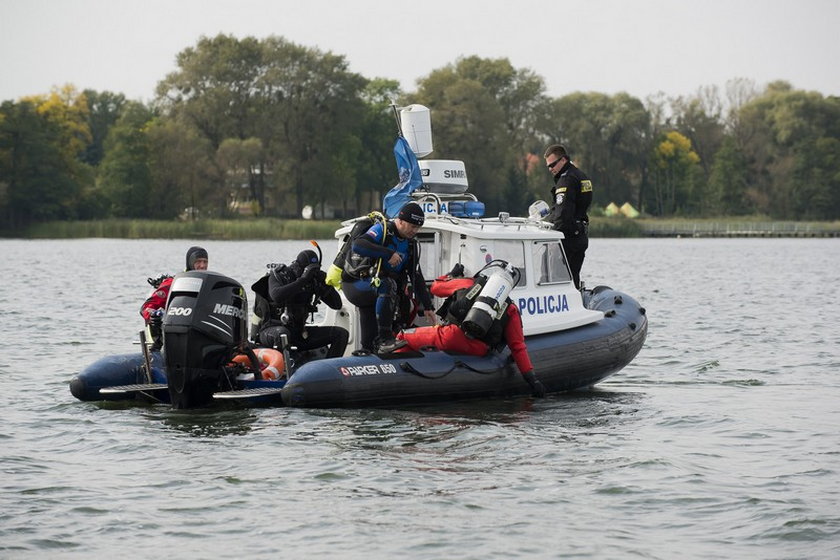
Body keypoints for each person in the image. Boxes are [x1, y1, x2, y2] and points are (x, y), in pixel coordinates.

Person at [395, 266, 547, 397]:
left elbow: (436, 288)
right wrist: (533, 381)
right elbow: (517, 346)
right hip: (479, 349)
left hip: (452, 336)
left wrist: (451, 275)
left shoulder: (469, 283)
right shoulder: (511, 308)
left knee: (403, 335)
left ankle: (395, 368)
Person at [342, 202, 436, 354]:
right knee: (387, 285)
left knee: (379, 306)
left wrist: (427, 306)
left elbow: (416, 276)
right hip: (355, 284)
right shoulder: (384, 230)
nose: (415, 231)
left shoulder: (410, 245)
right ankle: (385, 340)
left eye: (418, 227)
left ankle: (367, 351)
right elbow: (358, 245)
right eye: (412, 226)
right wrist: (387, 254)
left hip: (374, 288)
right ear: (400, 221)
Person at [255, 249, 349, 358]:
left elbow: (337, 305)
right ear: (298, 267)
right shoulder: (280, 275)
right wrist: (303, 279)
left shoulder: (312, 281)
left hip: (299, 332)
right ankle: (283, 371)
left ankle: (329, 369)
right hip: (271, 330)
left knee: (341, 334)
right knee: (283, 334)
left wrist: (324, 284)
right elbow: (277, 296)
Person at [543, 144, 592, 289]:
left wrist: (552, 237)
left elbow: (562, 216)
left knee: (558, 281)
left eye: (552, 164)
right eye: (548, 166)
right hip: (580, 235)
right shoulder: (581, 176)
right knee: (573, 278)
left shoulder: (566, 180)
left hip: (567, 239)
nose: (550, 169)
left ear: (563, 160)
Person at [140, 246, 208, 349]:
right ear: (190, 262)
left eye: (205, 262)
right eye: (198, 262)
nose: (202, 265)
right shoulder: (174, 283)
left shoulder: (209, 285)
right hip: (174, 337)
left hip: (200, 336)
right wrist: (154, 315)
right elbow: (147, 307)